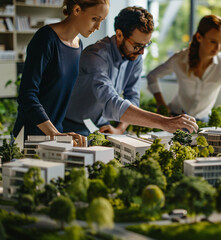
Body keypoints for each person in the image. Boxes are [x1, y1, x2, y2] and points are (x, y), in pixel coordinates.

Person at [63, 7, 198, 136]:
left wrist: (120, 129)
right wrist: (164, 122)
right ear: (119, 34)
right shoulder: (95, 55)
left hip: (102, 127)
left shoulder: (135, 57)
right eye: (137, 46)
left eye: (146, 45)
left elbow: (132, 97)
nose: (142, 52)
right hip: (72, 126)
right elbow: (111, 101)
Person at [12, 0, 110, 146]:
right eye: (94, 19)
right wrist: (54, 133)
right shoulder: (46, 38)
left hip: (55, 134)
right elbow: (27, 95)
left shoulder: (78, 45)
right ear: (77, 10)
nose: (97, 27)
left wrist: (58, 134)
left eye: (101, 21)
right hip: (30, 136)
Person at [147, 15, 221, 122]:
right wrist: (161, 104)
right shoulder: (180, 59)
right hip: (175, 117)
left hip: (203, 122)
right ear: (199, 37)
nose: (218, 48)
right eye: (213, 42)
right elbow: (152, 76)